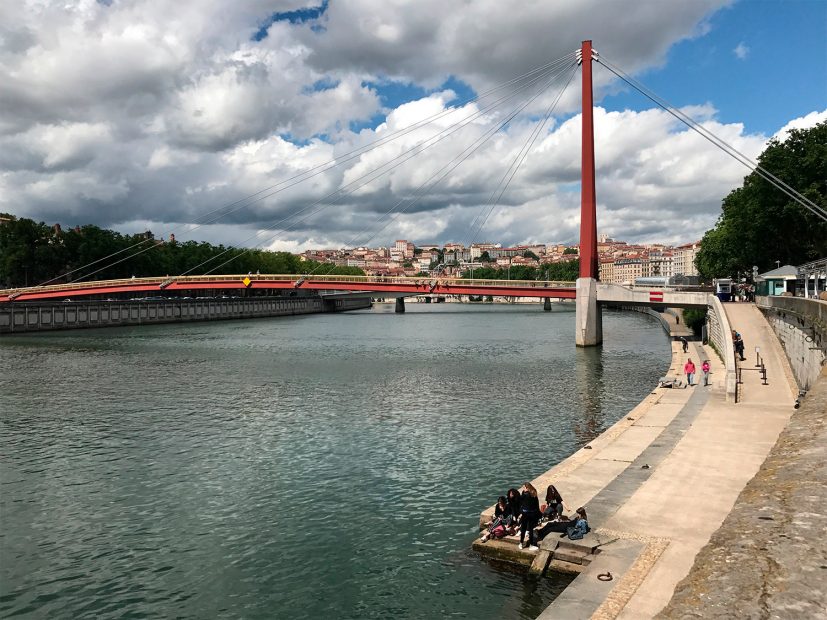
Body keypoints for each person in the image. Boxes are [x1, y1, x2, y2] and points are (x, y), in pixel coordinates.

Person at [518, 482, 541, 551]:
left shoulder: (525, 495)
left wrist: (520, 512)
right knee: (530, 529)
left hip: (525, 514)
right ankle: (531, 545)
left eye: (524, 487)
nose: (523, 489)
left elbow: (520, 502)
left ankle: (521, 543)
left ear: (527, 488)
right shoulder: (534, 493)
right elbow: (537, 504)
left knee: (523, 529)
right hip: (532, 514)